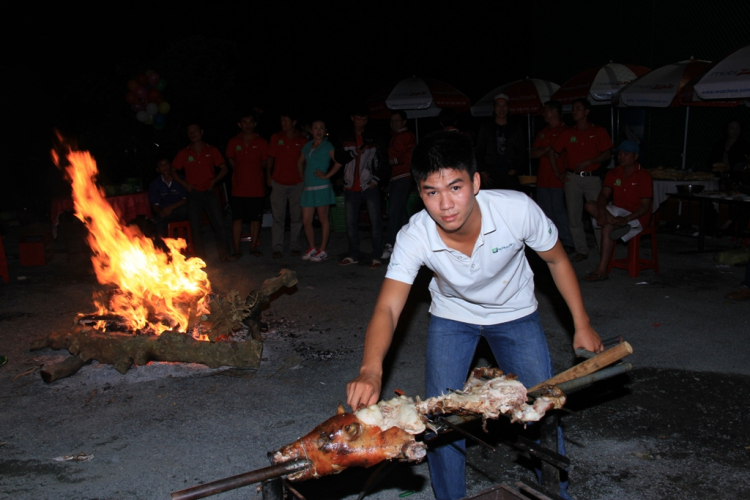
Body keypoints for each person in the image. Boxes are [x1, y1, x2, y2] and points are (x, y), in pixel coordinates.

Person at [346, 131, 603, 500]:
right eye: (432, 192)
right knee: (440, 420)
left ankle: (553, 493)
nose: (445, 204)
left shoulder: (517, 210)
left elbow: (557, 259)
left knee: (541, 407)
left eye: (455, 187)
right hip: (452, 317)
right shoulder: (414, 235)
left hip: (516, 313)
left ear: (476, 182)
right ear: (420, 193)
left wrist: (582, 323)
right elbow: (388, 306)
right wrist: (371, 369)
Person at [548, 98, 614, 262]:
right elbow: (552, 152)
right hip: (572, 179)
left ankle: (603, 248)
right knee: (574, 216)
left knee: (599, 214)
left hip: (592, 178)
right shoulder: (568, 133)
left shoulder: (598, 131)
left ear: (586, 111)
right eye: (573, 108)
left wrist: (589, 162)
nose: (574, 111)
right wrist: (558, 173)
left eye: (578, 108)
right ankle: (581, 250)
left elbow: (607, 154)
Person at [581, 140, 653, 282]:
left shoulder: (644, 175)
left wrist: (626, 219)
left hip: (635, 215)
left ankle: (602, 270)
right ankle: (614, 223)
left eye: (626, 154)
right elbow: (603, 195)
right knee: (590, 204)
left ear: (635, 156)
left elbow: (645, 206)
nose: (621, 157)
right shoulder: (614, 173)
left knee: (606, 227)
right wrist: (602, 212)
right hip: (617, 212)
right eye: (620, 154)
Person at [171, 123, 234, 261]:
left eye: (195, 131)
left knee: (219, 224)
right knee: (195, 227)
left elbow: (224, 168)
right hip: (193, 193)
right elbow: (173, 171)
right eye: (190, 132)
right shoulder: (184, 152)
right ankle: (200, 258)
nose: (193, 133)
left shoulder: (211, 150)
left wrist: (214, 181)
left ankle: (225, 254)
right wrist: (185, 184)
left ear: (202, 132)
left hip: (209, 191)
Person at [334, 107, 385, 268]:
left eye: (363, 119)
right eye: (358, 118)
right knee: (351, 224)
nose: (361, 122)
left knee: (375, 223)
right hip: (350, 187)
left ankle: (377, 256)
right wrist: (354, 153)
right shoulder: (345, 135)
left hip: (369, 185)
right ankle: (353, 254)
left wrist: (376, 179)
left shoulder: (373, 136)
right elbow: (338, 157)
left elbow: (384, 160)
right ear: (352, 118)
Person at [530, 100, 575, 254]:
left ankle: (567, 240)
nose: (544, 114)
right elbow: (533, 153)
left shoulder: (566, 131)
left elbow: (559, 153)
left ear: (555, 111)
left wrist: (546, 150)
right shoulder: (542, 132)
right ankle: (551, 241)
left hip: (559, 179)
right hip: (542, 179)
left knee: (559, 210)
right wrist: (548, 149)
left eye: (546, 111)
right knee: (545, 211)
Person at [298, 120, 342, 262]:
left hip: (322, 187)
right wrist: (301, 175)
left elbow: (339, 161)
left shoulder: (327, 145)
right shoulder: (307, 146)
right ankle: (312, 247)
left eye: (321, 128)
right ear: (311, 130)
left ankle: (323, 250)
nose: (318, 130)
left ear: (325, 130)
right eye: (315, 128)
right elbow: (299, 162)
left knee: (323, 219)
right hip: (308, 188)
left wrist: (327, 175)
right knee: (306, 221)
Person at [226, 112, 268, 257]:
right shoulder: (233, 141)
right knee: (237, 218)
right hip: (238, 188)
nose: (248, 125)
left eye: (251, 122)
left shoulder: (261, 142)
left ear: (255, 124)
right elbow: (230, 161)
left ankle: (253, 248)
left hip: (256, 188)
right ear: (239, 124)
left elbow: (264, 162)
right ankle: (237, 249)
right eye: (245, 122)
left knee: (255, 219)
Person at [267, 113, 309, 259]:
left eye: (286, 120)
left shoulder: (302, 140)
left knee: (296, 217)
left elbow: (307, 161)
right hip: (278, 182)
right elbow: (270, 157)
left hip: (297, 183)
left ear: (294, 122)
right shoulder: (276, 137)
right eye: (281, 120)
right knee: (278, 217)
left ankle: (295, 246)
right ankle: (277, 248)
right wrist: (268, 175)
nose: (283, 123)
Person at [475, 93, 526, 190]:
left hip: (509, 174)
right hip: (491, 175)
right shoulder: (486, 127)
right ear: (494, 108)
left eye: (504, 106)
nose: (501, 109)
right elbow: (480, 150)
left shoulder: (515, 127)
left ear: (508, 108)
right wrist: (483, 172)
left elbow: (521, 150)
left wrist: (515, 169)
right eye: (498, 105)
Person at [384, 110, 416, 259]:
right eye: (392, 121)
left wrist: (394, 161)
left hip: (403, 177)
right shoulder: (393, 136)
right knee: (401, 212)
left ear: (404, 122)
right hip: (395, 178)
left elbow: (409, 156)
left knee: (394, 212)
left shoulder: (407, 135)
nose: (394, 123)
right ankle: (413, 242)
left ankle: (390, 244)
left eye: (397, 120)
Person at [148, 158, 188, 237]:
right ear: (157, 169)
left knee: (186, 209)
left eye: (166, 164)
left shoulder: (181, 179)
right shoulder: (155, 184)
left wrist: (171, 207)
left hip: (180, 211)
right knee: (161, 224)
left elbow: (186, 199)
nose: (165, 167)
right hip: (165, 214)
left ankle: (154, 221)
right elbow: (155, 205)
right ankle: (164, 248)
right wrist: (160, 212)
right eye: (161, 165)